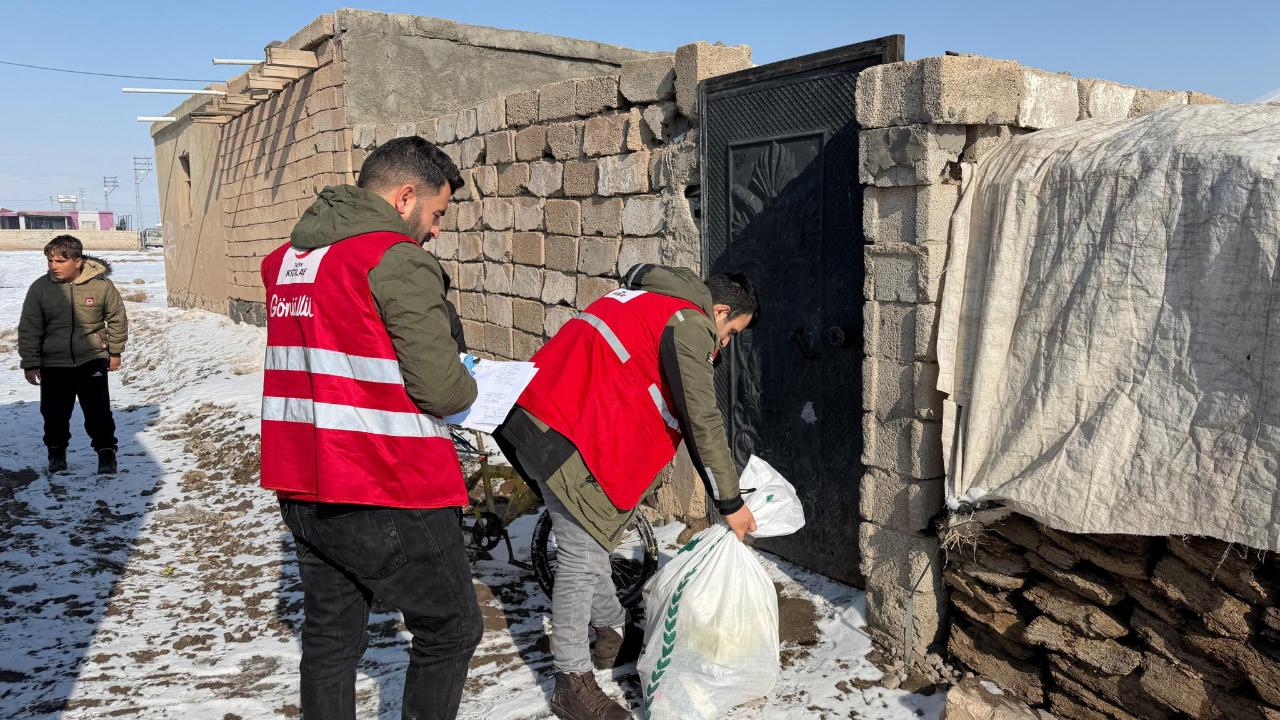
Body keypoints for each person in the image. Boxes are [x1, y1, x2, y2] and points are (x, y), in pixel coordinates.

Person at [259, 136, 482, 720]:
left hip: (304, 479)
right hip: (386, 480)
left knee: (331, 637)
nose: (436, 230)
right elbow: (442, 389)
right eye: (436, 213)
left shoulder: (288, 260)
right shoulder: (394, 258)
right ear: (405, 197)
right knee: (452, 628)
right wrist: (473, 384)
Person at [495, 264, 760, 720]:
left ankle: (610, 633)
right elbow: (703, 418)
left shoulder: (644, 299)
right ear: (719, 312)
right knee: (580, 555)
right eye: (731, 332)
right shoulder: (689, 323)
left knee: (591, 540)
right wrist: (730, 503)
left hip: (542, 418)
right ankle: (571, 683)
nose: (726, 343)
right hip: (568, 433)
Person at [18, 234, 127, 475]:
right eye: (50, 261)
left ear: (77, 261)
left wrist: (115, 351)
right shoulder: (40, 288)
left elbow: (117, 318)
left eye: (60, 261)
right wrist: (31, 361)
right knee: (54, 413)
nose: (53, 266)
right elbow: (29, 327)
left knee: (98, 411)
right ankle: (56, 455)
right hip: (53, 362)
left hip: (92, 359)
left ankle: (106, 454)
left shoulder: (102, 286)